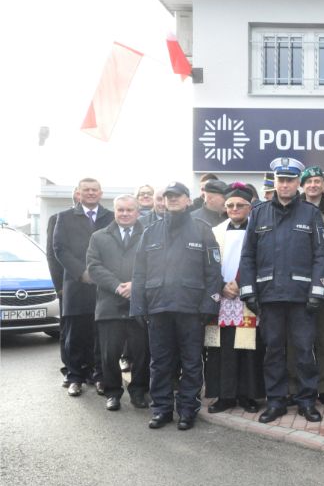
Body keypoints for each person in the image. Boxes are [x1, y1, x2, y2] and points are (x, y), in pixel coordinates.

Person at [239, 158, 324, 424]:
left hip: (302, 298)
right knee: (273, 352)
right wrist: (249, 291)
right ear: (275, 182)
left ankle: (306, 401)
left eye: (291, 180)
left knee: (304, 351)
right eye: (281, 180)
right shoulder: (259, 212)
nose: (286, 184)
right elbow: (248, 256)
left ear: (297, 183)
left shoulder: (310, 214)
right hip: (269, 296)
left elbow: (321, 255)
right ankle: (276, 402)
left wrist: (317, 290)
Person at [130, 181, 223, 431]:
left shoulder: (202, 229)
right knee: (160, 362)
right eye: (168, 196)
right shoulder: (150, 232)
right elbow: (139, 273)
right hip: (158, 308)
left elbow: (213, 272)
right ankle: (161, 409)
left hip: (191, 310)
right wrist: (138, 306)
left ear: (187, 199)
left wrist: (208, 305)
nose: (172, 200)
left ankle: (187, 409)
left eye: (177, 196)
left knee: (191, 361)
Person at [204, 183, 265, 414]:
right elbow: (208, 264)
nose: (235, 209)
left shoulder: (258, 230)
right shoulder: (216, 231)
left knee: (247, 347)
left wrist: (241, 284)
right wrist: (222, 286)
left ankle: (247, 395)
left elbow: (261, 260)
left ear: (250, 207)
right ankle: (224, 395)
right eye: (230, 205)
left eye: (240, 205)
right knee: (220, 348)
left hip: (247, 296)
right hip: (221, 297)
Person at [86, 195, 149, 411]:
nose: (124, 213)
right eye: (120, 210)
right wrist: (118, 286)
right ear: (114, 211)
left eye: (129, 210)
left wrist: (135, 286)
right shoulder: (98, 237)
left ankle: (139, 391)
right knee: (109, 353)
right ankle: (112, 393)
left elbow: (157, 265)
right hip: (109, 304)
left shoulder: (149, 235)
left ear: (137, 212)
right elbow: (94, 267)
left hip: (139, 304)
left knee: (142, 352)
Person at [53, 178, 114, 397]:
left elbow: (117, 248)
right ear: (79, 193)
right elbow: (60, 249)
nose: (90, 193)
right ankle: (75, 377)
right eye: (86, 190)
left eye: (94, 190)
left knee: (101, 335)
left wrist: (100, 274)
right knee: (75, 334)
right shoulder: (65, 217)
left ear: (101, 193)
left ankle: (99, 376)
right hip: (76, 285)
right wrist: (82, 272)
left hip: (104, 286)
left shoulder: (112, 217)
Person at [290, 165, 324, 405]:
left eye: (318, 181)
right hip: (299, 285)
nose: (313, 185)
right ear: (302, 185)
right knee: (297, 340)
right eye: (308, 182)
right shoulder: (293, 209)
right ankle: (295, 386)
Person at [47, 186, 79, 386]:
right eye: (82, 191)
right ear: (76, 194)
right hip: (67, 285)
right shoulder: (58, 218)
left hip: (92, 285)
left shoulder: (101, 218)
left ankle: (90, 369)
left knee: (90, 329)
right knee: (68, 330)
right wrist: (59, 285)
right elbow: (53, 255)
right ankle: (70, 370)